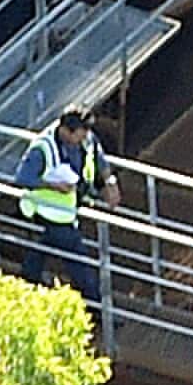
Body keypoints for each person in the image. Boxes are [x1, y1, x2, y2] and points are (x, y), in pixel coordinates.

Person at [14, 106, 121, 301]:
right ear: (65, 130)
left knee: (35, 258)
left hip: (67, 211)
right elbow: (23, 178)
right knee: (78, 262)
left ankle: (26, 292)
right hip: (47, 215)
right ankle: (96, 305)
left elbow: (98, 157)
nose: (83, 139)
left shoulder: (86, 138)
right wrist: (53, 185)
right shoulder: (42, 148)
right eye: (79, 136)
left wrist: (110, 182)